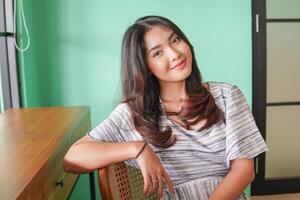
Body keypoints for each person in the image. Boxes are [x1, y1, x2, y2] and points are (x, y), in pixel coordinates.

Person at [63, 16, 268, 200]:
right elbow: (73, 159)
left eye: (175, 40)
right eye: (158, 52)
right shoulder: (135, 112)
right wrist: (138, 149)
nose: (174, 54)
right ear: (145, 67)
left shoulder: (227, 96)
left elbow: (244, 170)